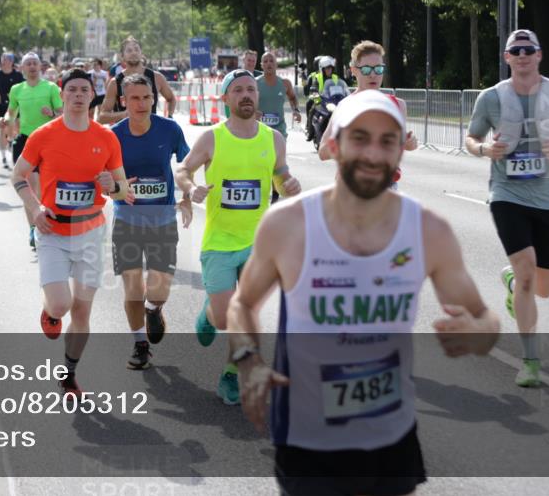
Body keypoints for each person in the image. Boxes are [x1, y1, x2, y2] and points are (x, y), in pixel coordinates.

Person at [228, 89, 500, 496]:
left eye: (387, 141)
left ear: (400, 153)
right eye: (360, 138)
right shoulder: (287, 224)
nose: (374, 154)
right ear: (334, 144)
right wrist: (248, 359)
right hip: (307, 434)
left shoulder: (429, 230)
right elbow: (243, 303)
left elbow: (485, 318)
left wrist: (478, 334)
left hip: (390, 431)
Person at [466, 28, 549, 387]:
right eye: (515, 50)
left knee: (544, 287)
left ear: (539, 56)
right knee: (526, 274)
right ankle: (530, 360)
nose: (522, 55)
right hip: (507, 194)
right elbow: (472, 137)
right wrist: (485, 150)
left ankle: (511, 280)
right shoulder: (490, 98)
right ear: (507, 58)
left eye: (528, 49)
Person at [175, 69, 301, 404]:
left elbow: (279, 175)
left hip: (257, 245)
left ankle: (232, 375)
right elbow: (182, 169)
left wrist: (289, 185)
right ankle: (207, 315)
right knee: (222, 315)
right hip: (218, 242)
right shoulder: (212, 138)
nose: (247, 95)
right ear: (226, 98)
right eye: (239, 90)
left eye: (251, 90)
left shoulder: (273, 138)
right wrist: (191, 187)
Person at [10, 69, 134, 400]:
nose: (79, 95)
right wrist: (35, 209)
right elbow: (19, 176)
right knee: (62, 304)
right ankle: (50, 312)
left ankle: (69, 373)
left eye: (85, 90)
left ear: (92, 96)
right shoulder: (43, 135)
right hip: (52, 230)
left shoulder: (106, 138)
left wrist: (114, 186)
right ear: (62, 95)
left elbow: (123, 191)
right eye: (72, 90)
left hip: (90, 232)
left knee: (82, 310)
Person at [111, 74, 192, 370]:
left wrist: (186, 193)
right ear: (124, 101)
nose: (142, 103)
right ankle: (139, 344)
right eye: (134, 98)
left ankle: (153, 308)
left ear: (154, 99)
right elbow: (103, 181)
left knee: (159, 290)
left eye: (146, 97)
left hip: (162, 220)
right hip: (127, 221)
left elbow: (186, 165)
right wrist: (117, 189)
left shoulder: (169, 129)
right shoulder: (114, 135)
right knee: (132, 287)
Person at [318, 41, 419, 186]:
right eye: (366, 69)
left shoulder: (397, 105)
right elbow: (323, 152)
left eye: (378, 69)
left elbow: (402, 145)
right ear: (354, 70)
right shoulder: (345, 106)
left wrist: (410, 143)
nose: (373, 75)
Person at [7, 52, 63, 248]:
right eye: (28, 64)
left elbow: (62, 114)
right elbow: (12, 111)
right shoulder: (16, 89)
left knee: (43, 187)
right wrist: (7, 122)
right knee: (30, 187)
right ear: (22, 68)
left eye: (35, 63)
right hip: (25, 140)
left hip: (48, 141)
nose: (31, 66)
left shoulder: (51, 88)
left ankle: (44, 223)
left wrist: (52, 113)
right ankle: (33, 228)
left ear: (40, 67)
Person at [99, 36, 177, 124]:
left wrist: (169, 118)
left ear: (141, 54)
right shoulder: (115, 82)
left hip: (150, 133)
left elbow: (171, 99)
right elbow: (102, 117)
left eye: (136, 49)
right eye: (129, 50)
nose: (133, 53)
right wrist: (124, 115)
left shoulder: (156, 77)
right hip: (125, 135)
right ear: (122, 56)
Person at [0, 51, 25, 170]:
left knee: (17, 128)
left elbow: (23, 90)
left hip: (17, 105)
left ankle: (12, 143)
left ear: (12, 62)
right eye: (4, 59)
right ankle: (4, 156)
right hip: (2, 106)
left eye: (8, 59)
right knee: (3, 129)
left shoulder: (18, 75)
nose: (6, 61)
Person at [304, 56, 343, 142]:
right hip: (322, 101)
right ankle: (310, 132)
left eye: (330, 68)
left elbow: (342, 87)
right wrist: (317, 102)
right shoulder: (318, 78)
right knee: (312, 111)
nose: (329, 70)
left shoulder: (335, 77)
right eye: (327, 68)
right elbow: (314, 90)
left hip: (333, 101)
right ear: (322, 69)